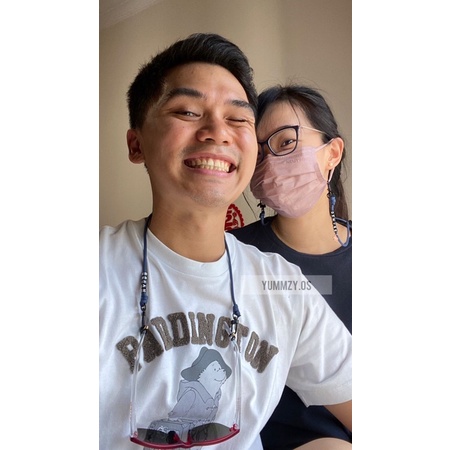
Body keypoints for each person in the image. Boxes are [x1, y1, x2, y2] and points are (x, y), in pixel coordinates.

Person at [99, 33, 352, 450]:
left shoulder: (283, 286)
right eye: (187, 111)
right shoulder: (99, 268)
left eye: (237, 119)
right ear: (136, 143)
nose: (218, 131)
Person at [229, 84, 352, 449]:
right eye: (259, 153)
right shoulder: (235, 255)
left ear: (332, 153)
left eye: (286, 142)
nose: (272, 163)